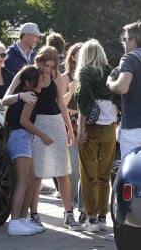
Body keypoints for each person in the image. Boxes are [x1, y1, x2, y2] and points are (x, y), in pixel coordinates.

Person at [3, 46, 80, 231]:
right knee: (35, 174)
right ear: (39, 61)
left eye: (52, 67)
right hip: (35, 124)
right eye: (46, 65)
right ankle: (34, 215)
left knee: (62, 171)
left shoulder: (56, 77)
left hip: (55, 123)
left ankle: (69, 214)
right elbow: (5, 98)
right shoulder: (28, 74)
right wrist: (21, 95)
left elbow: (61, 102)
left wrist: (69, 129)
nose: (47, 70)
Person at [74, 39, 120, 232]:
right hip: (110, 128)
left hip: (91, 129)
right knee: (104, 175)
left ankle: (91, 217)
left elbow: (84, 103)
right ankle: (102, 217)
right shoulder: (112, 71)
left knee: (88, 175)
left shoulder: (85, 73)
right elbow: (118, 103)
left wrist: (81, 130)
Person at [5, 65, 50, 236]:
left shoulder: (26, 95)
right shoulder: (30, 96)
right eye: (39, 79)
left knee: (31, 181)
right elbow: (24, 121)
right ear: (29, 82)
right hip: (21, 139)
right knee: (23, 183)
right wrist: (43, 135)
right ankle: (15, 221)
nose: (42, 81)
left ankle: (22, 219)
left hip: (23, 139)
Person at [107, 21, 141, 159]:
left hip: (134, 130)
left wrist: (109, 83)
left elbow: (122, 87)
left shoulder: (130, 58)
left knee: (131, 177)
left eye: (125, 39)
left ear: (133, 40)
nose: (124, 43)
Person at [61, 42, 86, 221]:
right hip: (69, 122)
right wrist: (71, 90)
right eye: (80, 53)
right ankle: (70, 206)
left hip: (87, 123)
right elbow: (60, 102)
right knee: (73, 170)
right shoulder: (65, 77)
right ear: (73, 57)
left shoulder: (90, 76)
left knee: (86, 168)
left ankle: (84, 209)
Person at [46, 31, 67, 197]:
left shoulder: (50, 66)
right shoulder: (67, 63)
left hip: (50, 111)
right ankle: (64, 187)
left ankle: (60, 189)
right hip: (63, 112)